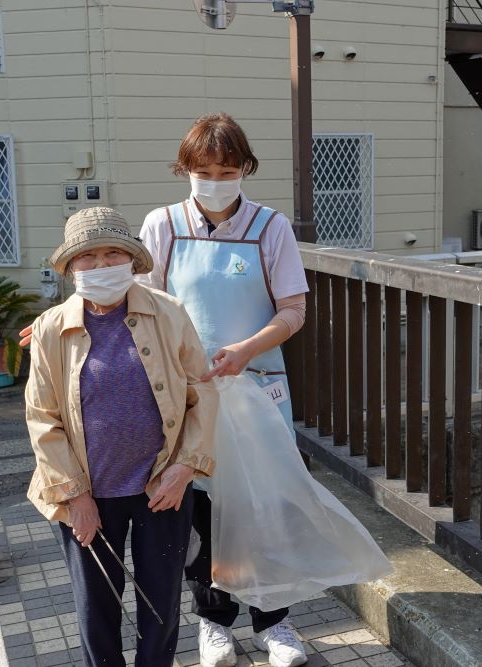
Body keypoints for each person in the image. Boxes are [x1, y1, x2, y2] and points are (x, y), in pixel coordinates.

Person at [138, 112, 309, 667]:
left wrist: (247, 350)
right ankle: (213, 623)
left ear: (244, 169)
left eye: (227, 170)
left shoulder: (270, 227)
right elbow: (140, 305)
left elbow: (293, 310)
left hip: (257, 388)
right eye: (204, 171)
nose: (215, 180)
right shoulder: (162, 225)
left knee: (266, 506)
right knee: (201, 513)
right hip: (189, 395)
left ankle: (275, 623)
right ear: (185, 169)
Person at [25, 206, 217, 667]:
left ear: (132, 259)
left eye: (113, 253)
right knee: (96, 610)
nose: (101, 264)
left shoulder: (168, 312)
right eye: (87, 256)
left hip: (162, 486)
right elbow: (42, 418)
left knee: (161, 604)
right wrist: (75, 496)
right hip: (87, 493)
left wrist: (184, 468)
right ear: (71, 267)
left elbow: (203, 392)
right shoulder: (51, 328)